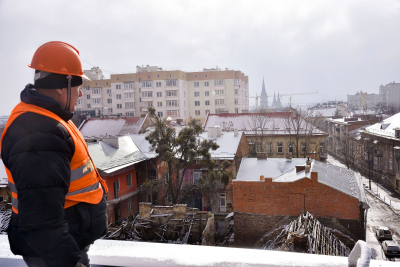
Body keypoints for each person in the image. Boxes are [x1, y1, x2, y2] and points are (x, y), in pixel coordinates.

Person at [1, 41, 108, 267]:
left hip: (64, 244)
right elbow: (42, 218)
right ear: (62, 85)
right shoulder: (39, 132)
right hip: (54, 254)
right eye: (78, 86)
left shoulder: (47, 120)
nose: (79, 95)